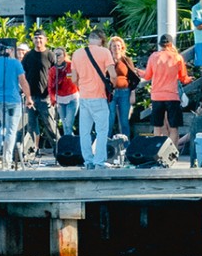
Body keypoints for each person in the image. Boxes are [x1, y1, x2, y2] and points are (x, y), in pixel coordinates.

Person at [70, 29, 115, 169]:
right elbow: (113, 75)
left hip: (84, 97)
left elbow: (74, 78)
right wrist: (112, 85)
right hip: (98, 97)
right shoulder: (105, 52)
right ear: (101, 39)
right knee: (102, 131)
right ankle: (99, 161)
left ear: (89, 39)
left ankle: (88, 161)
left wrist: (81, 87)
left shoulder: (76, 54)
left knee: (84, 132)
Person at [141, 34, 194, 153]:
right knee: (174, 128)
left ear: (160, 44)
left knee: (157, 127)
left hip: (157, 96)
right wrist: (190, 79)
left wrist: (138, 71)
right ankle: (172, 154)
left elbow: (147, 75)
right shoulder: (177, 57)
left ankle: (157, 152)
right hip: (172, 96)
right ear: (171, 44)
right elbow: (183, 78)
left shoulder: (154, 56)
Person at [0, 42, 30, 168]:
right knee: (11, 130)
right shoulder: (15, 63)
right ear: (9, 50)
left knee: (4, 126)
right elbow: (23, 81)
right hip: (13, 100)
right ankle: (7, 161)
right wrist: (29, 98)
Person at [22, 29, 56, 149]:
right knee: (31, 127)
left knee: (50, 126)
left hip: (45, 97)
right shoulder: (28, 56)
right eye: (36, 38)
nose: (38, 40)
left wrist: (53, 95)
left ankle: (59, 150)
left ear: (45, 40)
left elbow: (56, 75)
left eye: (40, 38)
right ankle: (32, 151)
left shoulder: (50, 55)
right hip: (30, 97)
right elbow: (22, 75)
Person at [107, 36, 140, 139]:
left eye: (118, 46)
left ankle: (126, 144)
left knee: (124, 120)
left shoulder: (126, 60)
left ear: (122, 47)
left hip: (125, 92)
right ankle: (106, 142)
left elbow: (133, 78)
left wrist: (133, 93)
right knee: (110, 118)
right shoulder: (107, 60)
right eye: (114, 46)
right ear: (110, 48)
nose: (116, 48)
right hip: (111, 92)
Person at [49, 47, 77, 140]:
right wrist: (52, 99)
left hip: (72, 98)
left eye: (59, 54)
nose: (57, 57)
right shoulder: (53, 70)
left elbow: (78, 80)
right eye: (55, 54)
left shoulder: (71, 66)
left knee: (69, 123)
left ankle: (68, 143)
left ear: (64, 55)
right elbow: (50, 86)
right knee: (65, 125)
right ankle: (69, 143)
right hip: (60, 99)